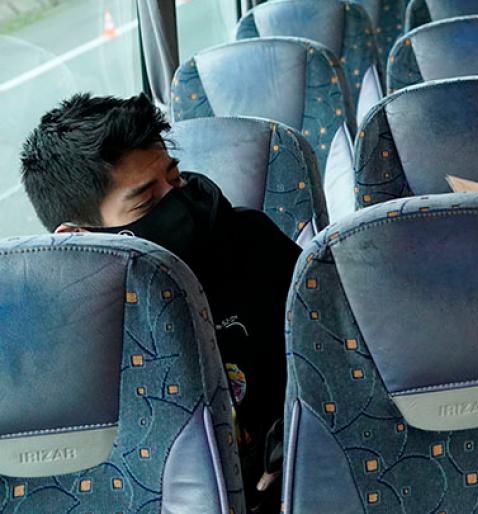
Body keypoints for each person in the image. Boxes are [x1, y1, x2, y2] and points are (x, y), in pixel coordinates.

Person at [19, 94, 298, 513]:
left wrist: (297, 441)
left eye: (177, 178)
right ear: (77, 238)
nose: (180, 203)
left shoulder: (251, 243)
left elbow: (331, 365)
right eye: (147, 202)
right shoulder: (50, 346)